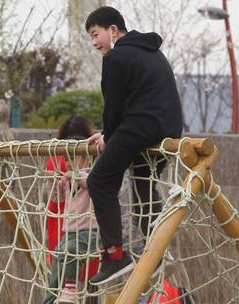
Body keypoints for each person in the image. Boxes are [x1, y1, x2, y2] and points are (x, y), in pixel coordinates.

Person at [84, 6, 183, 285]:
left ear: (113, 30)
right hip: (167, 127)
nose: (94, 43)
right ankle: (156, 252)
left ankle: (115, 256)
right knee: (142, 185)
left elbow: (113, 108)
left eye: (96, 34)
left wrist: (108, 136)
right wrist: (111, 133)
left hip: (141, 125)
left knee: (100, 182)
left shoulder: (116, 58)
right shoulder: (151, 52)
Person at [44, 140, 99, 304]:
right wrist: (51, 181)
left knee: (71, 251)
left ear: (87, 161)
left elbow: (92, 184)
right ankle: (51, 297)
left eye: (73, 159)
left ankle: (71, 289)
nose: (68, 163)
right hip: (69, 232)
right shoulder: (67, 181)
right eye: (66, 160)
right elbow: (56, 197)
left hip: (90, 232)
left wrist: (76, 175)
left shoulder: (93, 177)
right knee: (58, 260)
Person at [45, 116, 95, 266]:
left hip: (60, 219)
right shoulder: (87, 160)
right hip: (84, 221)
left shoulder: (55, 158)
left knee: (62, 263)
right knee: (82, 266)